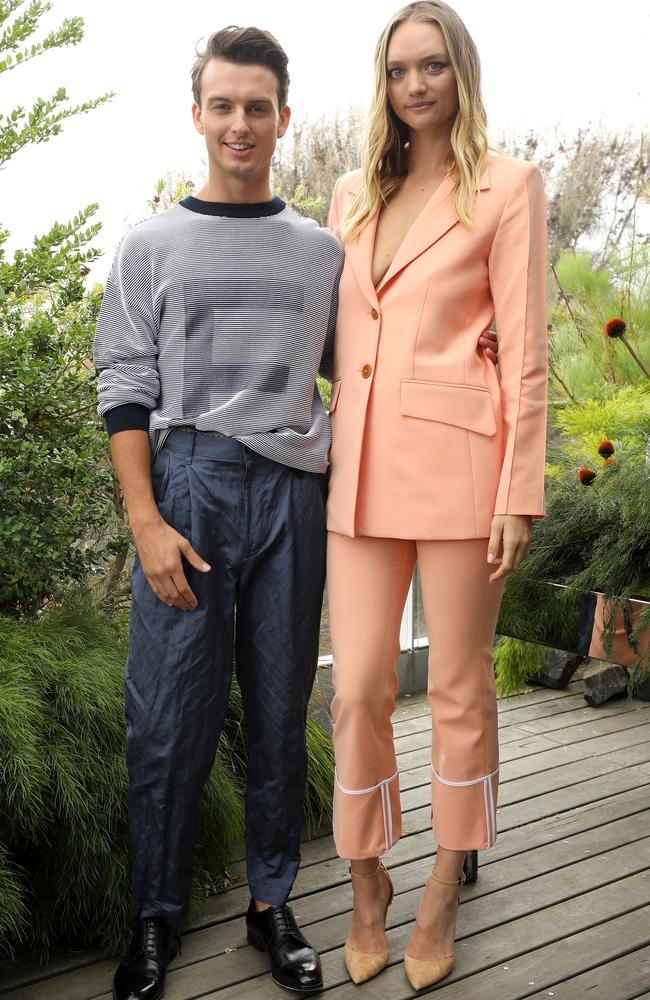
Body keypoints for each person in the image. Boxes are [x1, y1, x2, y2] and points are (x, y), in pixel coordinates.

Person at [93, 26, 343, 1000]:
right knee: (165, 719)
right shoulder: (150, 243)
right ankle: (154, 916)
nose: (240, 123)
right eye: (222, 105)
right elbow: (122, 384)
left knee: (282, 713)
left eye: (257, 106)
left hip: (291, 492)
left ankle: (268, 904)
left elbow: (354, 368)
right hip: (187, 486)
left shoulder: (320, 252)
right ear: (197, 114)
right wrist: (146, 523)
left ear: (283, 118)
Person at [325, 0, 547, 991]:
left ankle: (445, 881)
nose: (412, 85)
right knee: (359, 684)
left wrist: (520, 488)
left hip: (464, 472)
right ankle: (366, 876)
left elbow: (526, 351)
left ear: (459, 73)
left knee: (458, 689)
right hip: (358, 475)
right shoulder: (348, 195)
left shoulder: (507, 186)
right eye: (396, 70)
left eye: (430, 67)